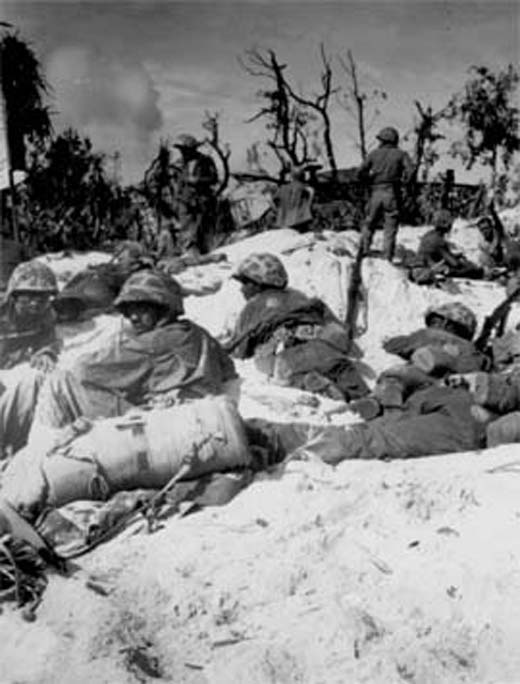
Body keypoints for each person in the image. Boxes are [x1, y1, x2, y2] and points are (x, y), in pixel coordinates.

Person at [26, 270, 238, 442]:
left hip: (161, 430)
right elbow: (229, 373)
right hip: (200, 422)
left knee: (60, 381)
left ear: (163, 307)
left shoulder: (154, 342)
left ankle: (42, 449)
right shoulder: (197, 333)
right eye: (129, 310)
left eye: (142, 309)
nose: (133, 317)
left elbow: (86, 369)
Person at [225, 252, 368, 401]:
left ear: (256, 283)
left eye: (244, 284)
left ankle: (306, 381)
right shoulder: (298, 295)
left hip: (287, 354)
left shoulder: (254, 305)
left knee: (269, 366)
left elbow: (240, 350)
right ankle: (365, 397)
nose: (241, 289)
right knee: (344, 373)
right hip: (325, 346)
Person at [0, 261, 61, 455]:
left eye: (42, 298)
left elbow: (49, 340)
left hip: (10, 368)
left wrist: (46, 352)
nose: (36, 303)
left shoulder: (46, 314)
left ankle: (17, 444)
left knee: (38, 379)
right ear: (14, 296)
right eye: (29, 296)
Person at [358, 126, 414, 262]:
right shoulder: (401, 154)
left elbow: (360, 172)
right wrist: (404, 182)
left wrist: (370, 180)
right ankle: (387, 256)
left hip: (376, 191)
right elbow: (411, 171)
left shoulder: (373, 154)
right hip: (392, 192)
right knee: (390, 225)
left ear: (383, 140)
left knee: (369, 222)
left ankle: (364, 250)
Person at [173, 134, 219, 256]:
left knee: (201, 230)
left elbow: (214, 178)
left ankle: (204, 256)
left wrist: (198, 180)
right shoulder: (180, 164)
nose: (182, 152)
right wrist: (177, 200)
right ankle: (189, 255)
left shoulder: (205, 161)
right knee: (186, 231)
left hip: (202, 201)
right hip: (185, 201)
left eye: (184, 149)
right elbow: (179, 184)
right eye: (181, 150)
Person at [410, 209, 484, 282]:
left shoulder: (429, 234)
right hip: (428, 270)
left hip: (421, 267)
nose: (451, 225)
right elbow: (455, 263)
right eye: (450, 223)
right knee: (472, 271)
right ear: (445, 223)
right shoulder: (438, 240)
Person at [272, 165, 315, 232]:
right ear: (303, 176)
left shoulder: (282, 188)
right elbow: (310, 202)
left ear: (292, 177)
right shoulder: (307, 188)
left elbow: (274, 201)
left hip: (284, 223)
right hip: (301, 222)